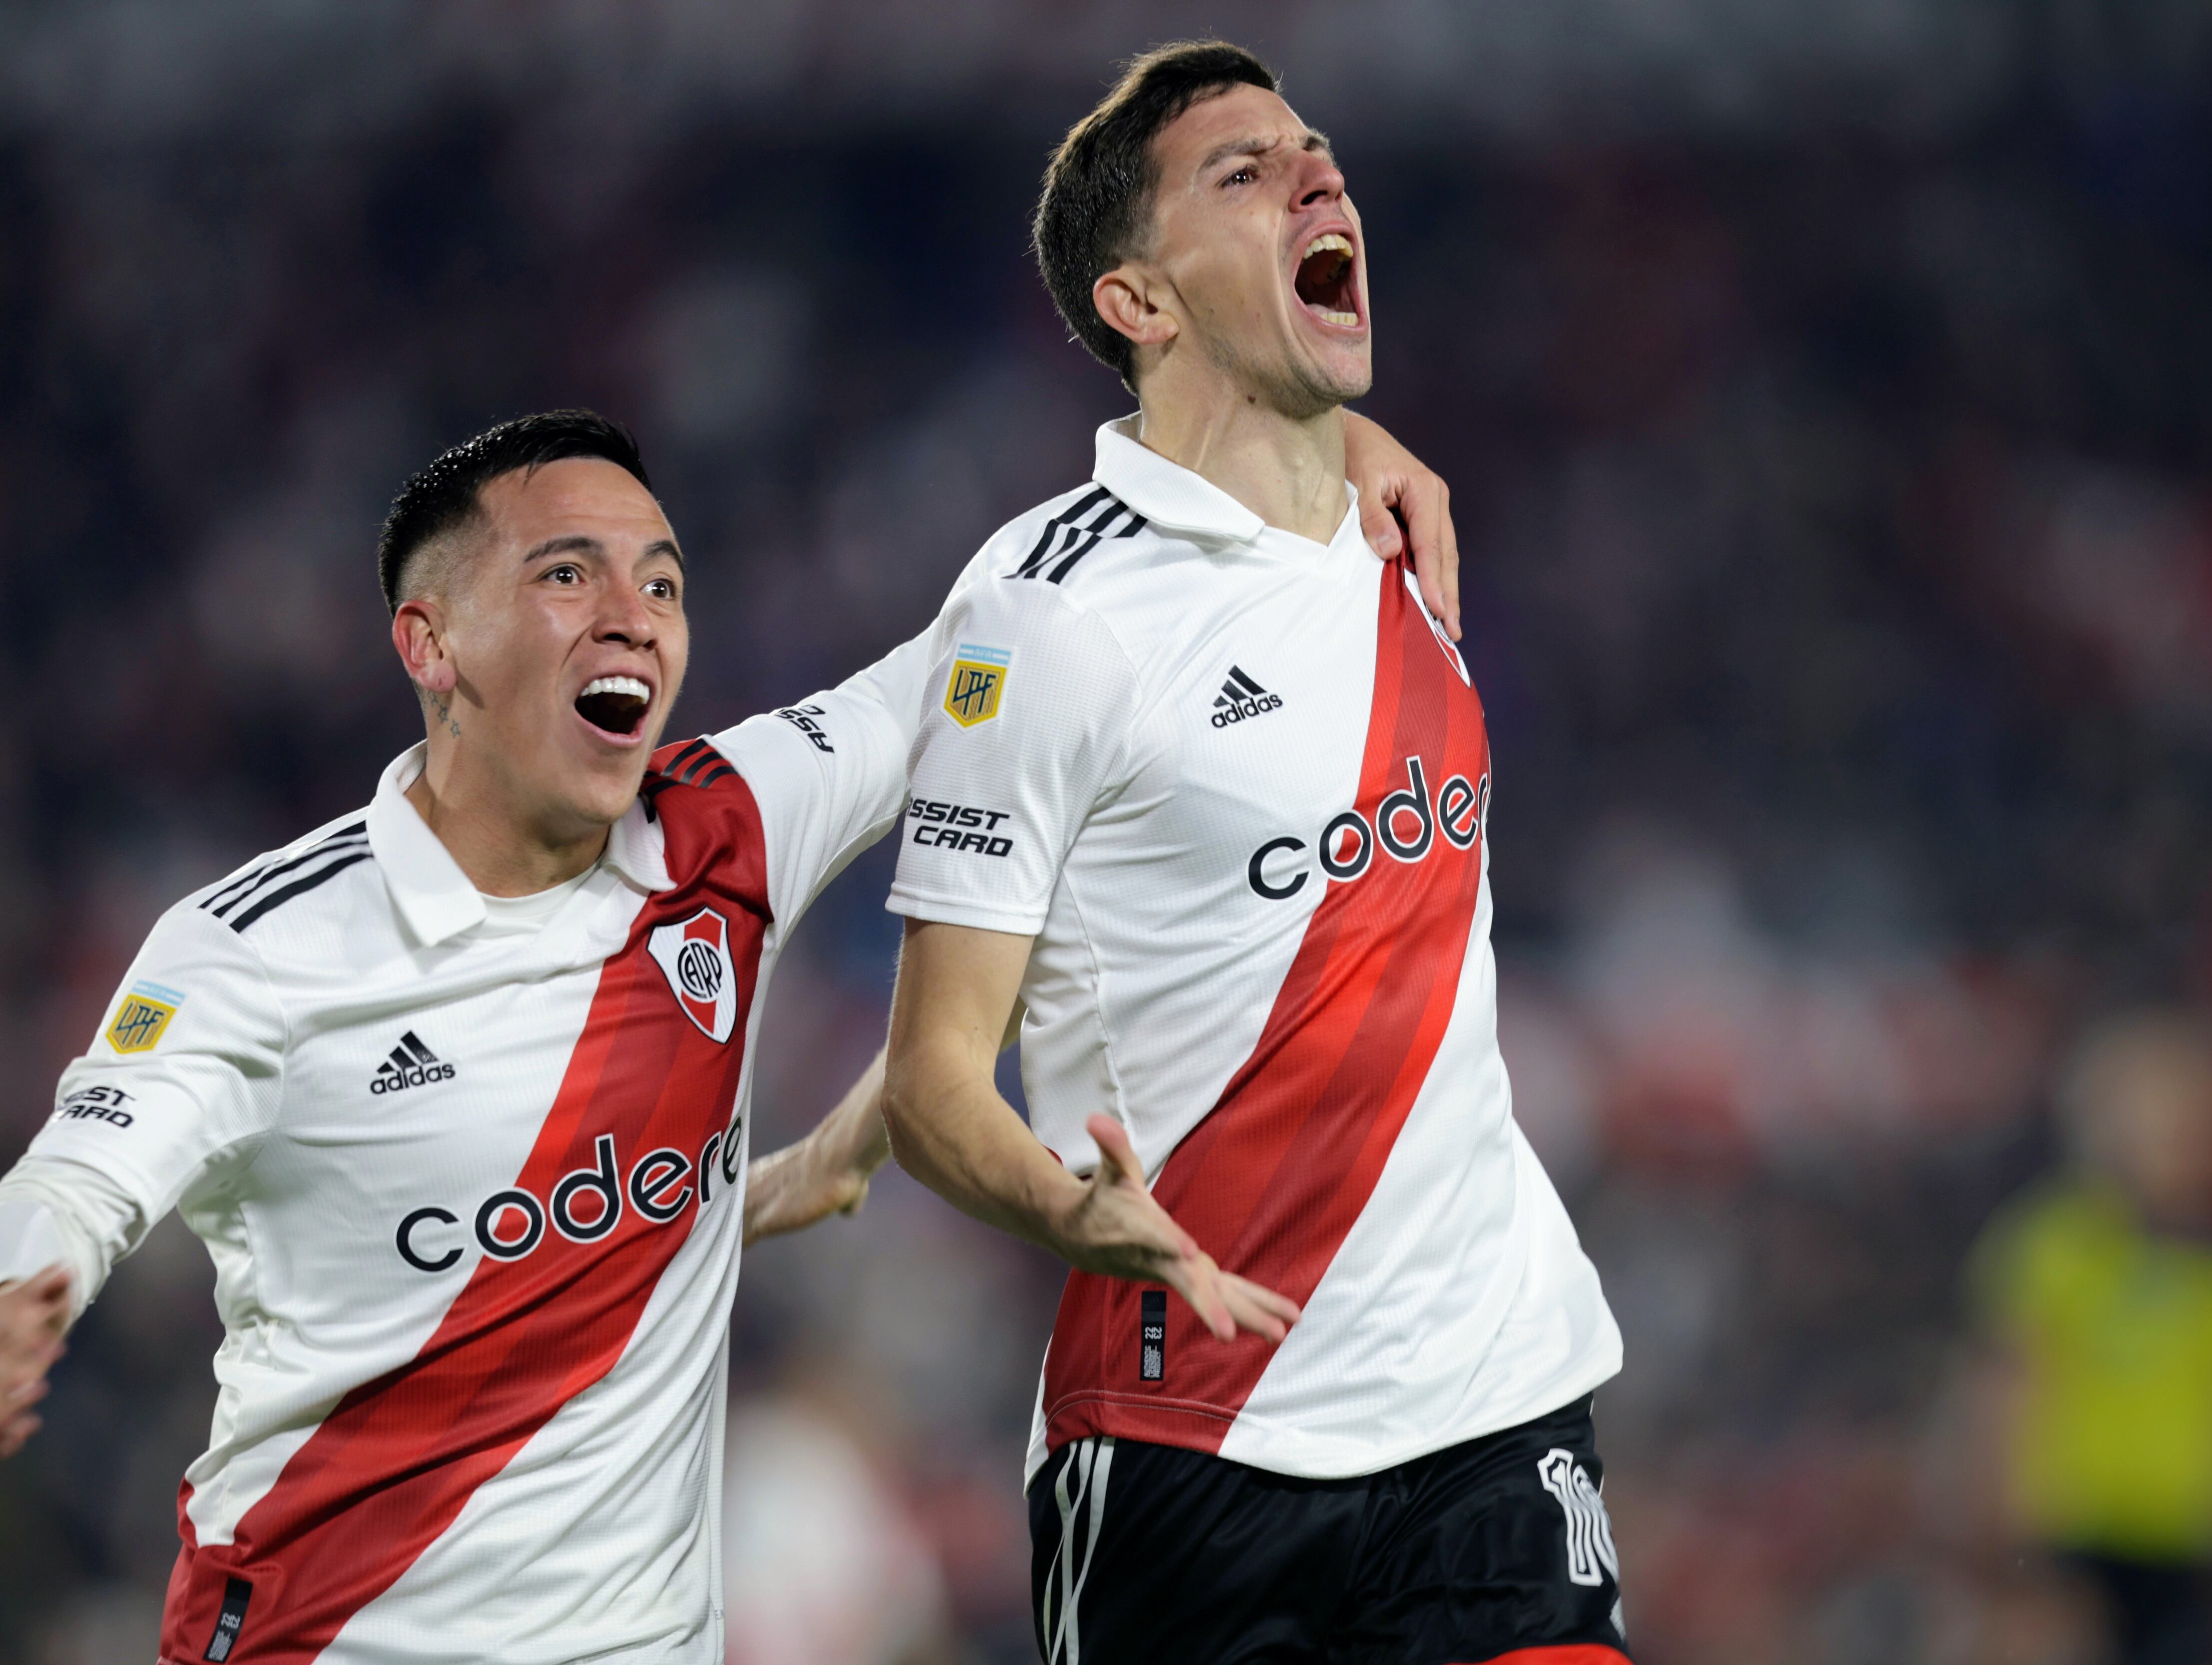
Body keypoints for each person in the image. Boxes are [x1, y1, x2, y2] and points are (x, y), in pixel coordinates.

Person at [0, 402, 1458, 1663]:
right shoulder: (258, 948)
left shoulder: (729, 826)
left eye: (663, 579)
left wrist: (1292, 456)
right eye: (567, 573)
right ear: (428, 639)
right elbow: (80, 1177)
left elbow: (1013, 627)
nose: (632, 610)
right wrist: (22, 1282)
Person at [878, 43, 1627, 1665]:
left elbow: (1267, 493)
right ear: (1139, 300)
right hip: (1190, 1443)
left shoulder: (1400, 531)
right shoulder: (1049, 620)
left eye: (1319, 154)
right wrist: (1088, 1219)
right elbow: (938, 1080)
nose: (1319, 178)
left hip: (1490, 1403)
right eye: (1244, 171)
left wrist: (1333, 432)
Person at [1966, 1010, 2212, 1665]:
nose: (2181, 1148)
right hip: (2076, 1535)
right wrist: (2011, 1542)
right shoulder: (2057, 1251)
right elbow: (2012, 1388)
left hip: (2197, 1545)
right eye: (2158, 1126)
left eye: (2199, 1128)